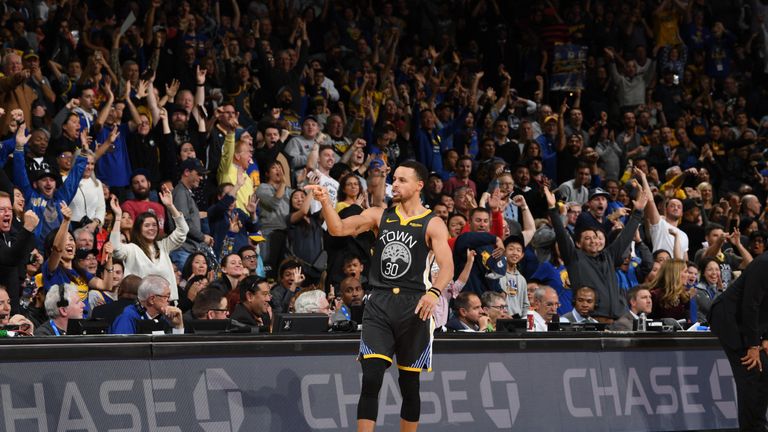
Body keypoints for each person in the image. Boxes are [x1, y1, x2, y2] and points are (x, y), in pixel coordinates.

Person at [306, 159, 453, 432]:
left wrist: (434, 292)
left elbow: (447, 266)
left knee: (409, 385)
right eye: (393, 179)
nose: (394, 184)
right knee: (371, 378)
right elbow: (338, 228)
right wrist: (325, 201)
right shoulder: (378, 215)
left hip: (415, 306)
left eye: (401, 180)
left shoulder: (433, 223)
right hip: (380, 303)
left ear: (419, 185)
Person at [709, 253, 768, 431]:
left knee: (764, 369)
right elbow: (751, 304)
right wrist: (752, 345)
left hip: (749, 322)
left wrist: (765, 337)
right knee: (751, 371)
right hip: (729, 319)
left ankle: (758, 425)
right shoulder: (764, 263)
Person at [109, 187, 188, 301]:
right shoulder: (132, 249)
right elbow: (115, 249)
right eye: (147, 225)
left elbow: (183, 231)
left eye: (154, 225)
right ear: (138, 229)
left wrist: (170, 206)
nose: (151, 228)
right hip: (141, 306)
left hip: (167, 305)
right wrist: (117, 217)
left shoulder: (163, 246)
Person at [110, 275, 184, 334]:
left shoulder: (165, 318)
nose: (170, 300)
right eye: (166, 296)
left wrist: (178, 327)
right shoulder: (127, 318)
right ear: (152, 299)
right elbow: (124, 350)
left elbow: (175, 349)